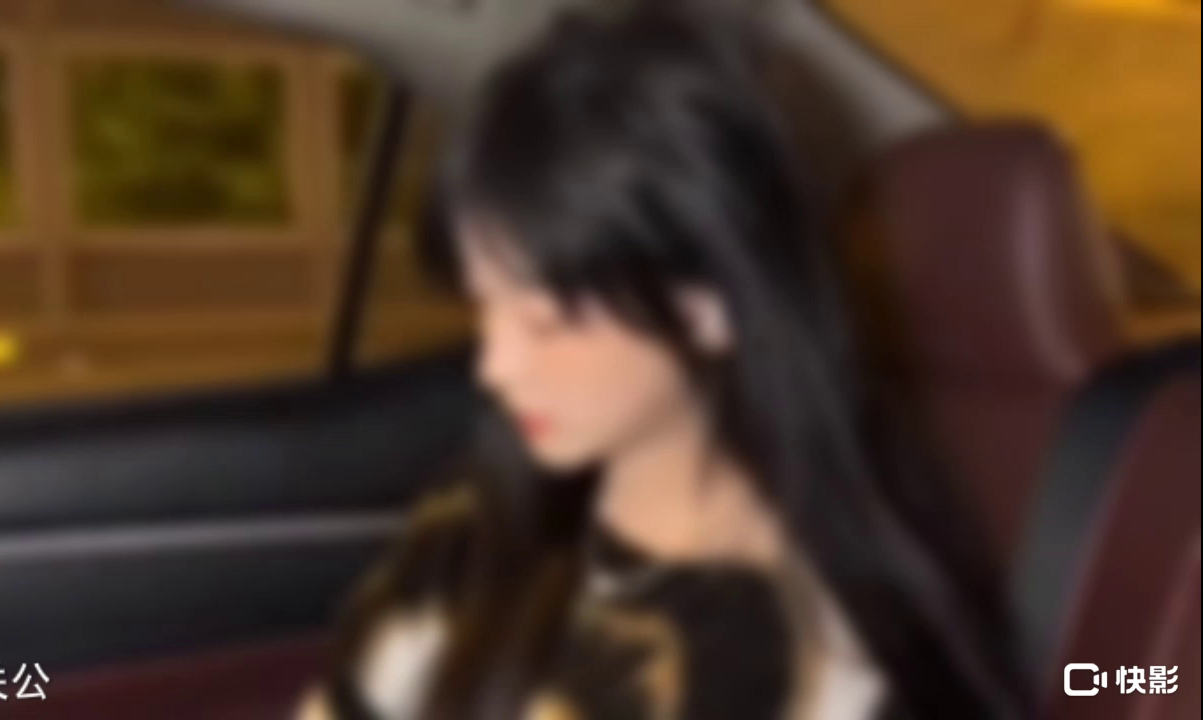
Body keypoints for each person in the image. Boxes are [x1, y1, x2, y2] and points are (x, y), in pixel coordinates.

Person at [298, 2, 1028, 718]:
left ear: (711, 307)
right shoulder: (486, 510)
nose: (494, 366)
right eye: (481, 306)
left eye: (547, 323)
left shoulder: (789, 662)